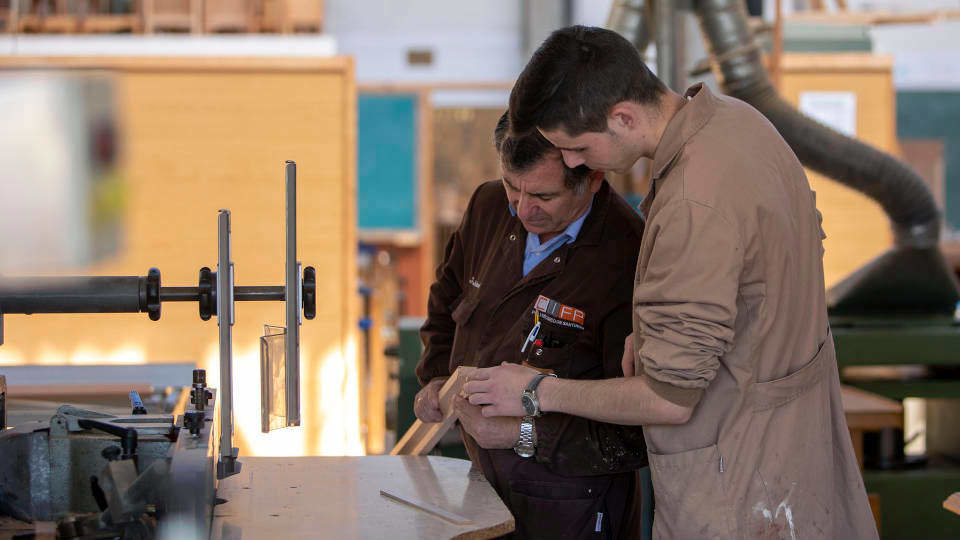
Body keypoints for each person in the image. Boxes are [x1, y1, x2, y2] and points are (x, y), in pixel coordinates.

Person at [463, 25, 878, 539]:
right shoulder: (740, 123)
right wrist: (669, 329)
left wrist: (536, 392)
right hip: (791, 452)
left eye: (576, 146)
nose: (571, 162)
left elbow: (669, 399)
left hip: (740, 483)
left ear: (622, 116)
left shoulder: (690, 202)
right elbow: (794, 247)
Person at [414, 112, 648, 539]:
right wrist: (435, 378)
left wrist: (524, 433)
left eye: (542, 195)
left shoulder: (628, 254)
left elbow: (636, 433)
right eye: (511, 186)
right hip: (482, 486)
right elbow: (446, 302)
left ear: (593, 178)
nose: (522, 209)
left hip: (574, 507)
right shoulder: (487, 206)